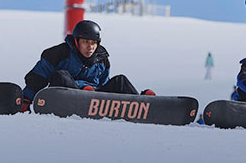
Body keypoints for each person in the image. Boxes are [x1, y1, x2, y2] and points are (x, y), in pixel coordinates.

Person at [20, 20, 154, 112]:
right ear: (77, 41)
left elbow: (104, 84)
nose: (90, 47)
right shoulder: (58, 54)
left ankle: (144, 104)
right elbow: (38, 78)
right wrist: (26, 100)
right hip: (68, 100)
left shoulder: (102, 59)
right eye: (85, 42)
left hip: (95, 101)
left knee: (120, 80)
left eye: (93, 43)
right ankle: (85, 94)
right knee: (60, 75)